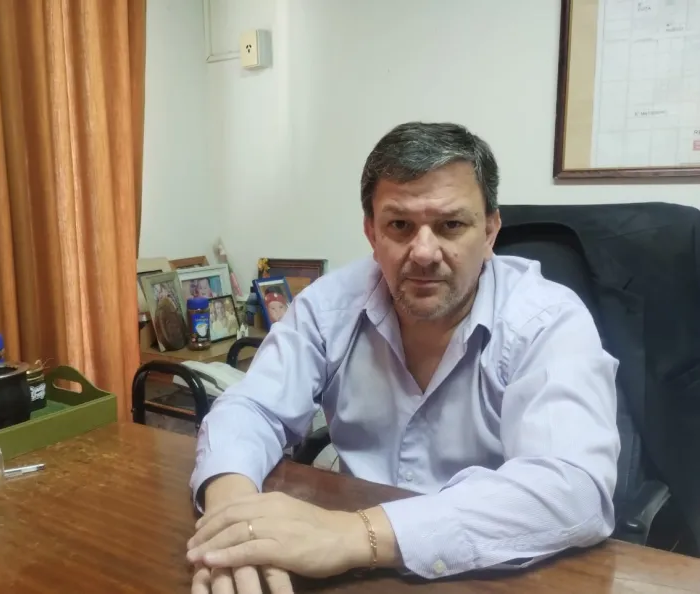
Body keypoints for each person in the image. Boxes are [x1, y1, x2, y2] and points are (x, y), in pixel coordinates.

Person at [187, 122, 620, 594]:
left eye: (451, 225)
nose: (424, 252)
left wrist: (355, 535)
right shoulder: (329, 306)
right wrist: (231, 516)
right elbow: (251, 406)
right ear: (371, 233)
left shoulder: (546, 319)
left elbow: (573, 487)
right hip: (349, 573)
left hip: (491, 569)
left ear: (490, 231)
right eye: (400, 226)